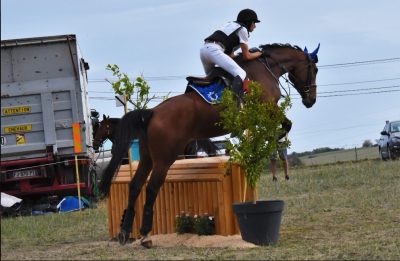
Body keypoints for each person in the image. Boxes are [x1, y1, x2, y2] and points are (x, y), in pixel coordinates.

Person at [200, 9, 264, 100]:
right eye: (254, 22)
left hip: (204, 50)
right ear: (248, 21)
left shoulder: (230, 25)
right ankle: (235, 104)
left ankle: (214, 100)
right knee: (241, 73)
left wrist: (237, 55)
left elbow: (229, 55)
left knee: (212, 79)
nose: (255, 26)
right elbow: (247, 56)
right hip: (214, 51)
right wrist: (260, 53)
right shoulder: (243, 30)